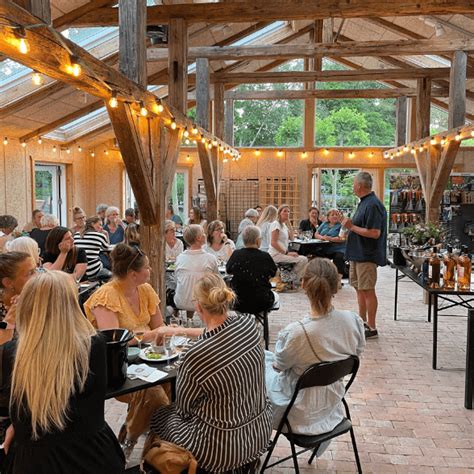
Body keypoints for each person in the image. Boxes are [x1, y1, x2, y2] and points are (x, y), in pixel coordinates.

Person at [1, 271, 125, 473]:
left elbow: (14, 407)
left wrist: (18, 425)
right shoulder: (94, 346)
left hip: (36, 461)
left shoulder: (12, 354)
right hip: (94, 455)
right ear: (71, 305)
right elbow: (79, 403)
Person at [150, 273, 272, 473]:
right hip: (258, 431)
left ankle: (166, 463)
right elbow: (220, 330)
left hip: (219, 449)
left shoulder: (196, 354)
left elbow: (184, 409)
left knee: (160, 416)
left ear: (198, 307)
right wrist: (180, 331)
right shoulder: (249, 324)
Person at [265, 258, 365, 441]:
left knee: (257, 366)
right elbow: (356, 353)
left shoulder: (296, 333)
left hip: (297, 411)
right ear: (336, 285)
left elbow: (279, 366)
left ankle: (248, 443)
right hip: (332, 402)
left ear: (303, 284)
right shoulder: (353, 321)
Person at [84, 244, 200, 343]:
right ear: (133, 274)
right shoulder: (105, 297)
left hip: (148, 353)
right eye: (147, 267)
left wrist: (168, 331)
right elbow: (115, 341)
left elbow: (158, 326)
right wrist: (155, 333)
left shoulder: (145, 289)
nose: (151, 269)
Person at [339, 172, 387, 338]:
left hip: (367, 255)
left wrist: (351, 227)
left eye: (353, 183)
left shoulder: (373, 205)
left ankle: (372, 327)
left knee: (368, 290)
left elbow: (375, 233)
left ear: (359, 185)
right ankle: (362, 322)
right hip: (357, 254)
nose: (352, 186)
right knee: (359, 289)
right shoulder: (364, 203)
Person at [226, 226, 277, 314]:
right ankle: (256, 321)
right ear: (258, 240)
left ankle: (245, 322)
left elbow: (228, 270)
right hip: (262, 301)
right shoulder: (265, 256)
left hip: (239, 301)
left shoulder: (236, 254)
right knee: (274, 295)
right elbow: (273, 273)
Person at [172, 225, 219, 311]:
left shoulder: (180, 258)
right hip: (202, 304)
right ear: (198, 238)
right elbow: (217, 281)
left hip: (180, 302)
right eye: (203, 233)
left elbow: (176, 279)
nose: (205, 235)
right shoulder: (210, 258)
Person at [269, 205, 308, 279]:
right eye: (285, 211)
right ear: (279, 213)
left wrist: (289, 224)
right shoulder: (276, 224)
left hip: (281, 253)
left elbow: (292, 238)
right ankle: (289, 278)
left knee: (302, 258)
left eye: (288, 211)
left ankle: (288, 278)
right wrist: (287, 253)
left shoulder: (283, 225)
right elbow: (273, 242)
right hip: (275, 254)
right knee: (303, 260)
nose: (287, 213)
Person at [314, 208, 347, 286]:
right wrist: (321, 237)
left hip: (338, 248)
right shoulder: (324, 224)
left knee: (339, 257)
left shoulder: (342, 225)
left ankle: (338, 280)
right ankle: (318, 278)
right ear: (328, 217)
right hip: (324, 247)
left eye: (337, 214)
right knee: (313, 254)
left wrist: (330, 238)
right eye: (332, 215)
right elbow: (316, 233)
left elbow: (342, 238)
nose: (335, 216)